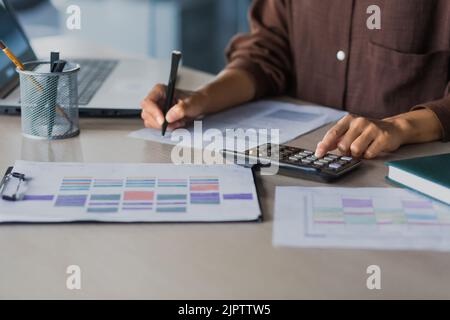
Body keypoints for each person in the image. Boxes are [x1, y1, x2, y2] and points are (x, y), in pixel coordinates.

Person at [141, 0, 450, 159]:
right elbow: (267, 52)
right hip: (298, 166)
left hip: (402, 171)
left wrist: (400, 126)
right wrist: (201, 99)